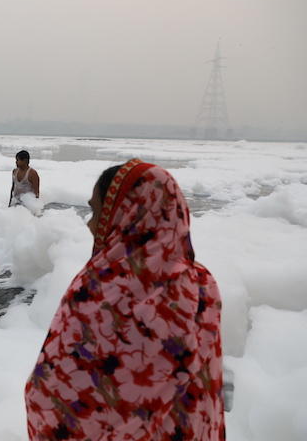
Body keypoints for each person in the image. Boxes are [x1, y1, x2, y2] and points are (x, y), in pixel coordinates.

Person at [25, 159, 224, 440]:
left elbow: (62, 395)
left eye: (97, 212)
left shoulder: (104, 288)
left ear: (127, 215)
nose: (91, 224)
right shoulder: (200, 283)